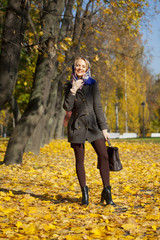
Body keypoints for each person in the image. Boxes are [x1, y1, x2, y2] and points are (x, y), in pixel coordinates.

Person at [63, 57, 116, 206]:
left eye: (83, 66)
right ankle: (84, 193)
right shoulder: (68, 86)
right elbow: (67, 107)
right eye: (77, 66)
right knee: (80, 161)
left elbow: (98, 107)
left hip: (94, 126)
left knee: (104, 155)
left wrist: (104, 128)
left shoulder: (93, 84)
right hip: (77, 126)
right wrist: (73, 89)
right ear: (74, 67)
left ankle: (107, 191)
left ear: (87, 69)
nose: (80, 68)